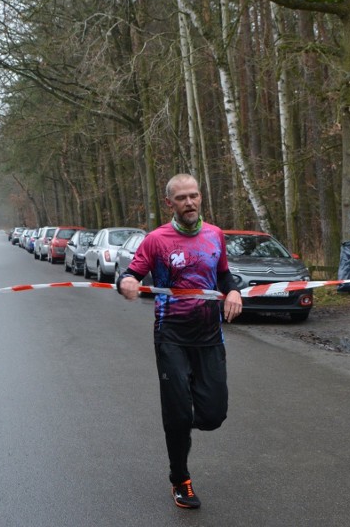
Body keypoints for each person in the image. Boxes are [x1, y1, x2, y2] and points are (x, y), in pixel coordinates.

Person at [117, 173, 242, 509]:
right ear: (169, 202)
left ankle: (186, 418)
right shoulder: (157, 240)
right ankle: (180, 480)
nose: (190, 202)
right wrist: (127, 282)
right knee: (176, 413)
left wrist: (232, 291)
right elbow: (132, 272)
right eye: (182, 197)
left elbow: (224, 274)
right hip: (171, 335)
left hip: (209, 335)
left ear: (201, 198)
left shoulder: (215, 235)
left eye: (194, 196)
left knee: (214, 414)